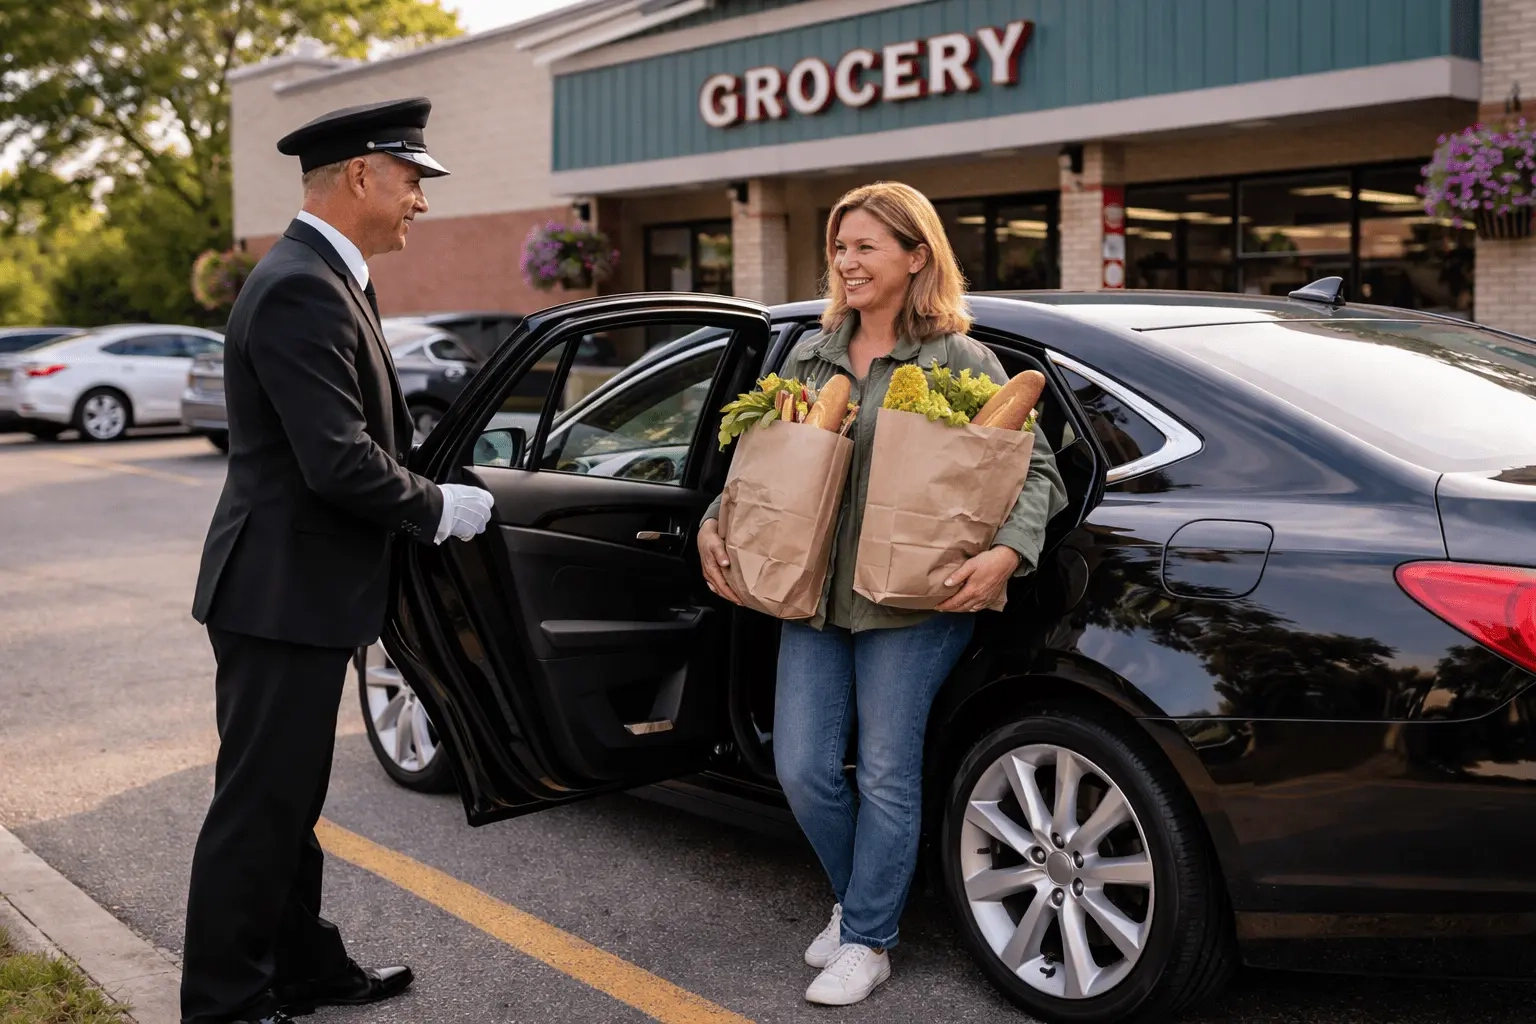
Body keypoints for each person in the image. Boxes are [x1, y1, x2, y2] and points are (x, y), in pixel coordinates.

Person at [697, 181, 1068, 1007]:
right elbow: (762, 461)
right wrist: (714, 521)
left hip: (916, 597)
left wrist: (1008, 553)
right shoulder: (812, 352)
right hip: (815, 590)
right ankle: (858, 898)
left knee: (888, 774)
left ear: (915, 256)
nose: (847, 261)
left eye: (866, 246)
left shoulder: (960, 360)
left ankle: (869, 938)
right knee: (801, 768)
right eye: (840, 246)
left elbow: (1031, 470)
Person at [183, 97, 496, 1024]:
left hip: (293, 592)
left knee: (286, 802)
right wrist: (439, 507)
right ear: (362, 174)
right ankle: (224, 1003)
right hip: (279, 595)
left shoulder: (322, 276)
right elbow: (338, 461)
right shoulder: (299, 285)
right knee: (259, 809)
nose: (420, 202)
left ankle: (302, 967)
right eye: (411, 180)